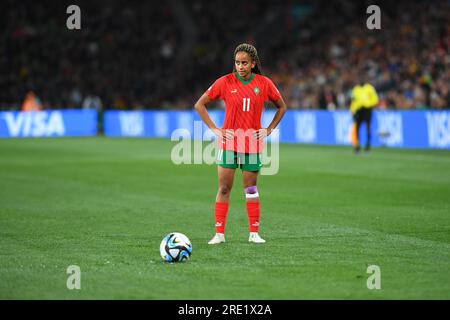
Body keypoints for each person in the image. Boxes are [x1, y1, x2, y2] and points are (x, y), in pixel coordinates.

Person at [194, 43, 287, 244]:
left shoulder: (264, 84)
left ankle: (254, 233)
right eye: (237, 63)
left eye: (244, 63)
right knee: (224, 188)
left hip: (252, 144)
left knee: (251, 189)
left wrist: (268, 129)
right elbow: (199, 104)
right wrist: (215, 129)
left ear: (253, 63)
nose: (240, 66)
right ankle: (219, 234)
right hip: (229, 144)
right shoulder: (225, 82)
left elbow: (282, 106)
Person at [350, 79, 379, 153]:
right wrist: (352, 111)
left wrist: (368, 104)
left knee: (368, 127)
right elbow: (353, 101)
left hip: (367, 109)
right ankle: (357, 146)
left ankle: (368, 146)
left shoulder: (369, 88)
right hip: (358, 110)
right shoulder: (356, 89)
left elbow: (375, 99)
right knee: (357, 128)